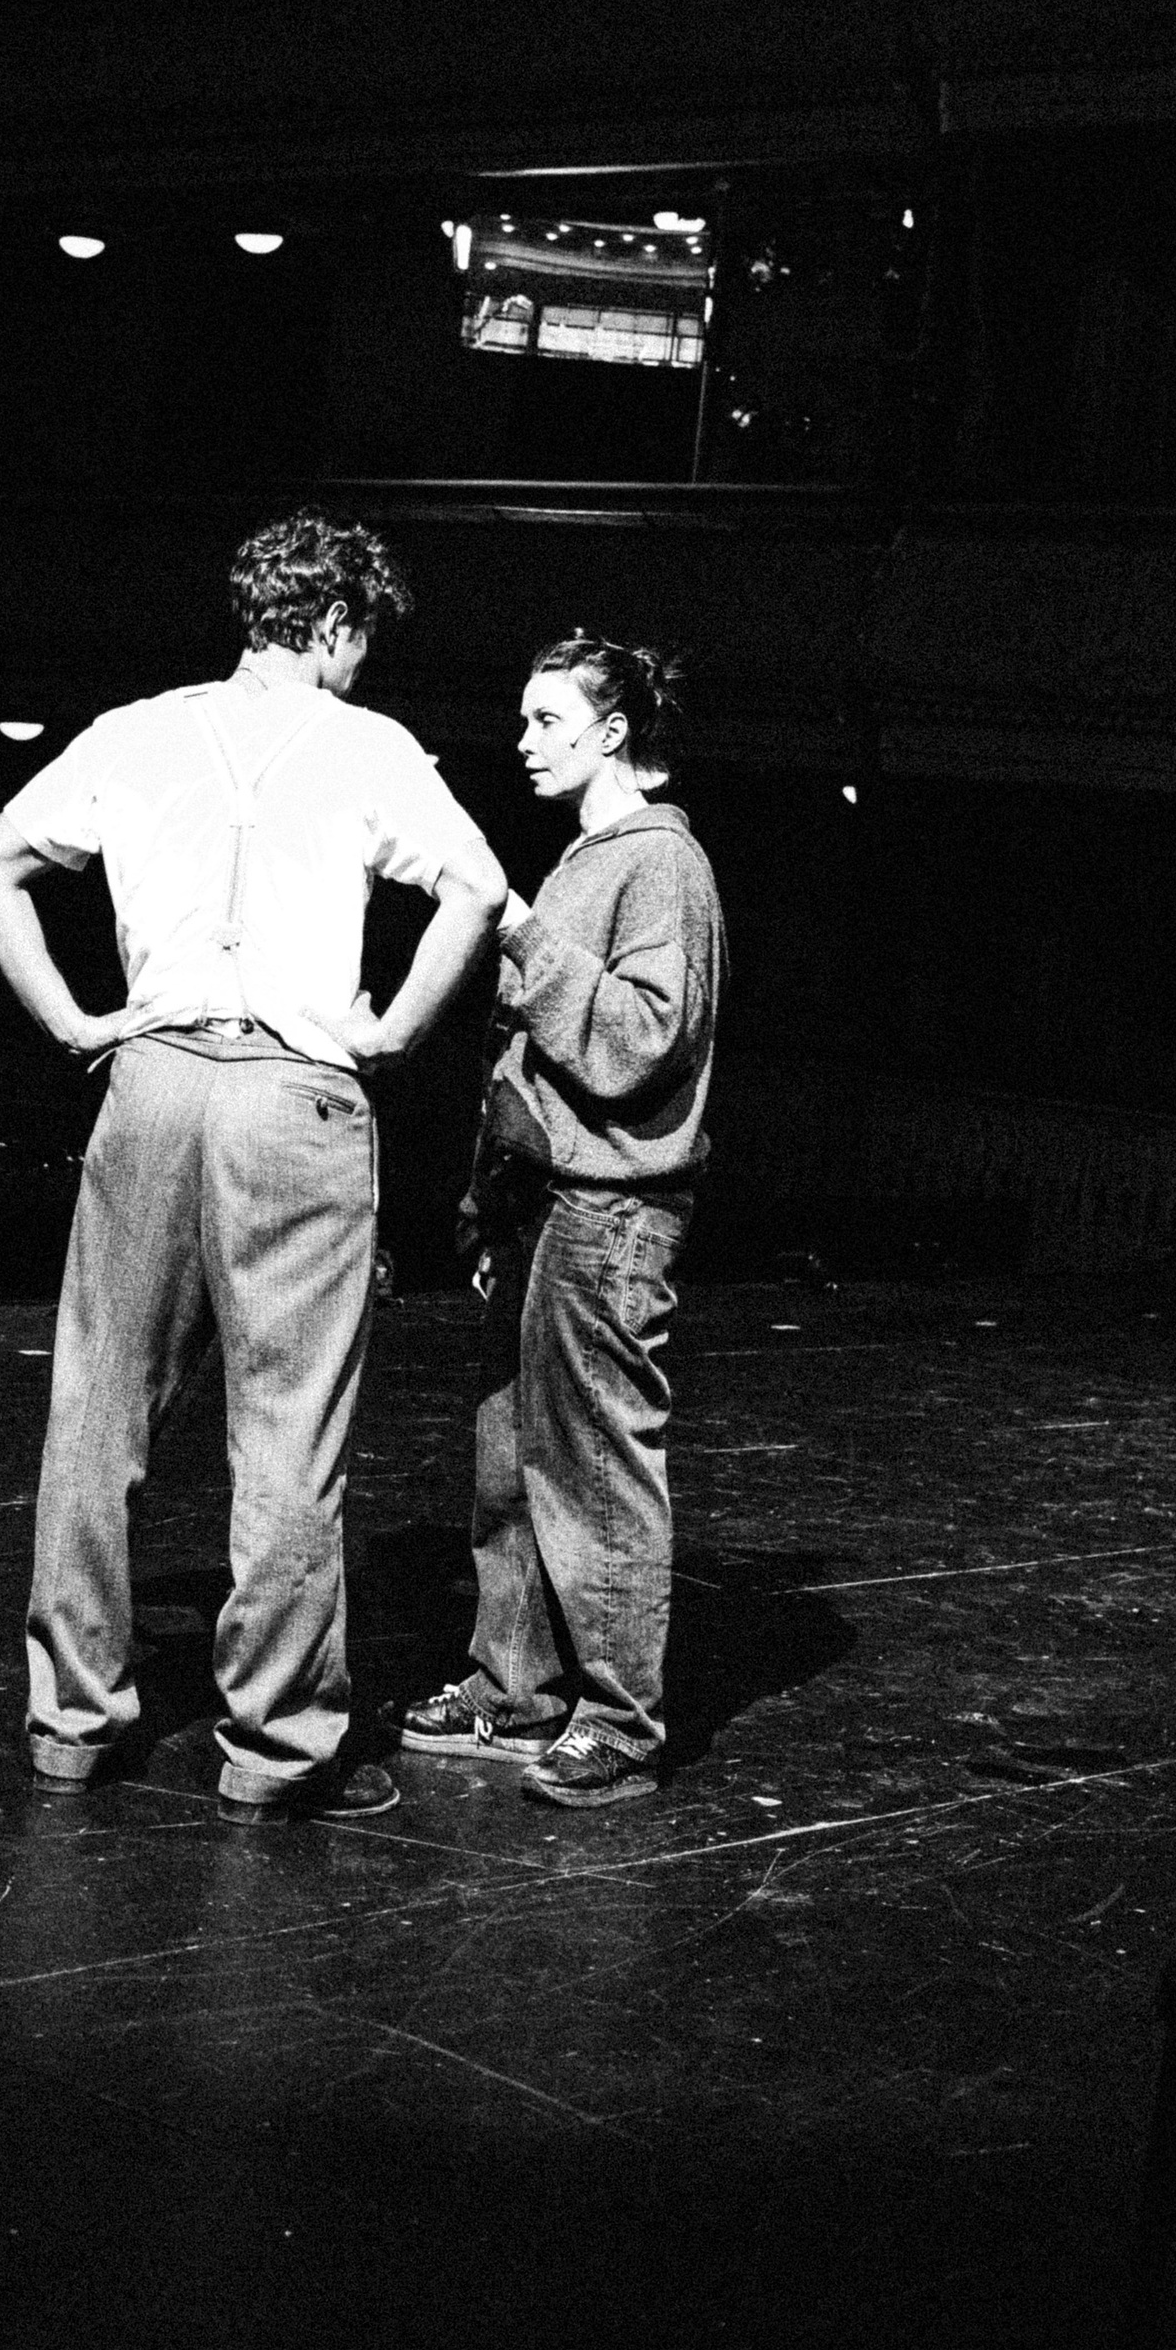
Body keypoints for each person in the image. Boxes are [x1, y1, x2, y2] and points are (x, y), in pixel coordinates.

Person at [0, 508, 506, 1825]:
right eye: (362, 637)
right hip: (294, 1095)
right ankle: (273, 1747)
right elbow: (476, 892)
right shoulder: (368, 747)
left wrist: (78, 1023)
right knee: (287, 1432)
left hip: (149, 1085)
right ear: (335, 624)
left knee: (98, 1415)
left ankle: (72, 1723)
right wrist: (391, 1030)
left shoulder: (143, 728)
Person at [401, 633, 725, 1808]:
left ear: (611, 730)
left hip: (611, 1203)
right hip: (543, 1202)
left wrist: (523, 930)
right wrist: (486, 1199)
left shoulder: (660, 865)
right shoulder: (597, 855)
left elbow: (640, 1036)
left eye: (546, 720)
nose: (524, 741)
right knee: (508, 1455)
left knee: (593, 1462)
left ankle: (621, 1721)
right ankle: (512, 1682)